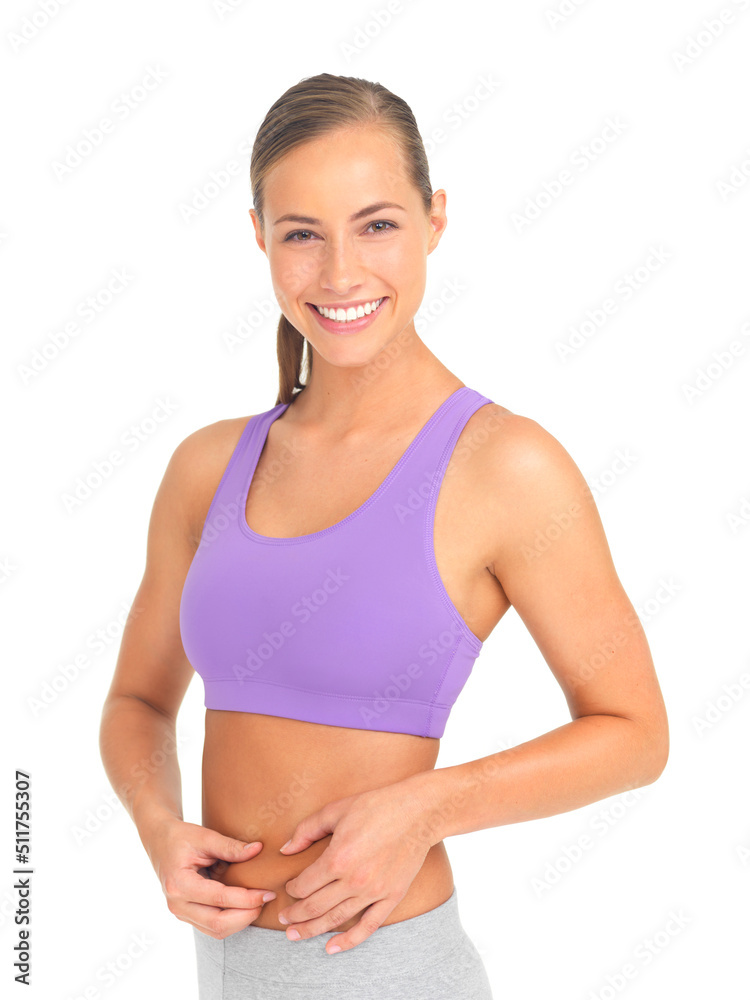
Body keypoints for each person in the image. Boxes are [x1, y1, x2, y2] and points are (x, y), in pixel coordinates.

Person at [99, 72, 669, 999]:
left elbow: (637, 733)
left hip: (395, 972)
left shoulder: (505, 467)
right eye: (301, 235)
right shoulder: (208, 467)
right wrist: (159, 828)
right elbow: (136, 702)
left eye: (376, 225)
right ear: (258, 237)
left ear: (434, 221)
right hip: (224, 975)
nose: (340, 275)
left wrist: (426, 809)